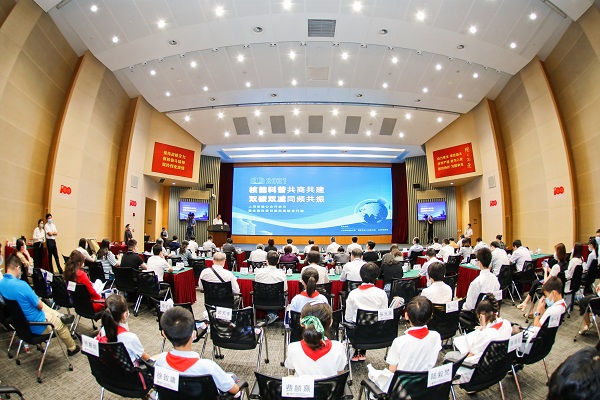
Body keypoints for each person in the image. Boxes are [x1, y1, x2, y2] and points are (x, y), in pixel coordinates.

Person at [0, 254, 79, 355]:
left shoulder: (2, 284)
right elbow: (40, 306)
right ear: (17, 267)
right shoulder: (22, 285)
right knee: (60, 324)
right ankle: (72, 348)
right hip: (37, 325)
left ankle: (58, 314)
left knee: (43, 306)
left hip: (21, 325)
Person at [155, 307, 242, 396]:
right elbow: (234, 390)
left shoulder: (161, 360)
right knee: (233, 378)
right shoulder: (208, 367)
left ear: (164, 334)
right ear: (194, 334)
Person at [447, 293, 511, 384]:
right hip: (497, 369)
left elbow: (470, 355)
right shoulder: (506, 324)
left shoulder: (486, 334)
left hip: (477, 373)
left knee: (449, 356)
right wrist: (484, 327)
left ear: (482, 316)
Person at [380, 296, 441, 391]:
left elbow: (392, 370)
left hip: (402, 388)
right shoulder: (436, 336)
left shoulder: (399, 342)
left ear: (406, 315)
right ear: (431, 315)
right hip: (426, 385)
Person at [284, 301, 346, 378]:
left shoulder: (293, 348)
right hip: (329, 386)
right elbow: (340, 373)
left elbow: (290, 366)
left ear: (301, 322)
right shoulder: (338, 347)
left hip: (303, 385)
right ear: (331, 322)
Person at [345, 262, 388, 361]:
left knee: (352, 323)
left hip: (357, 334)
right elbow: (384, 316)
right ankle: (362, 351)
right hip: (377, 333)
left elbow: (348, 318)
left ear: (361, 276)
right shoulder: (382, 294)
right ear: (377, 276)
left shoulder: (353, 294)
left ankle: (356, 350)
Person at [96, 294, 151, 363]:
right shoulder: (131, 338)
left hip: (108, 367)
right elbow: (146, 358)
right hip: (130, 369)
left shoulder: (102, 331)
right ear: (125, 314)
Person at [517, 243, 568, 314]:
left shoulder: (556, 266)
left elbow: (546, 281)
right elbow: (555, 273)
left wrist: (545, 270)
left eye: (555, 252)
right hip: (559, 287)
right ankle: (527, 305)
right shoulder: (565, 264)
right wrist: (548, 268)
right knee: (536, 283)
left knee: (536, 285)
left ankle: (527, 305)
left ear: (558, 253)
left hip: (551, 288)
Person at [255, 250, 287, 325]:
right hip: (277, 301)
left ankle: (271, 315)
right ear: (278, 261)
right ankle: (272, 314)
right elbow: (285, 289)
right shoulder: (282, 274)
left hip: (260, 299)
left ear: (266, 261)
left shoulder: (258, 272)